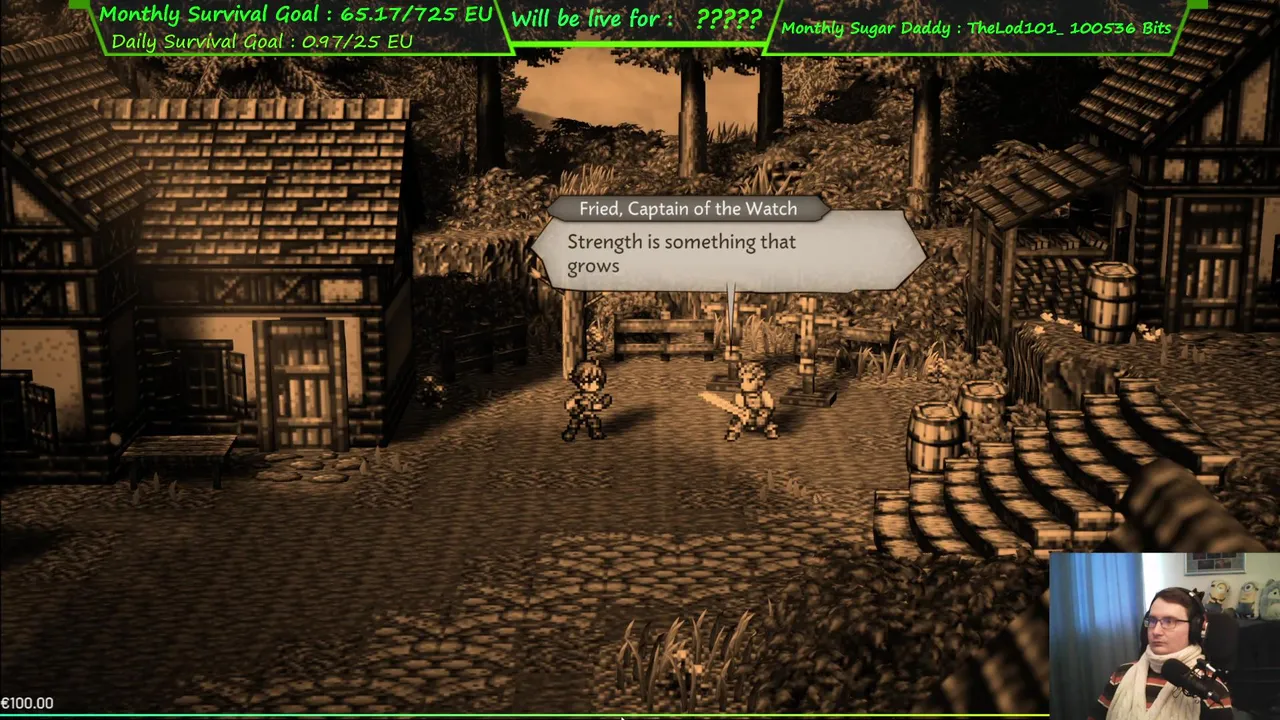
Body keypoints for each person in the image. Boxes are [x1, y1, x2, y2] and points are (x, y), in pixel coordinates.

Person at [1089, 587, 1233, 720]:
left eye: (1169, 621)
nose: (1156, 631)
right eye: (1152, 620)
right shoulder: (1121, 675)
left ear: (1195, 629)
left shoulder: (1210, 690)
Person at [726, 362, 778, 441]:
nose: (744, 384)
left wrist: (764, 412)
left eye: (750, 380)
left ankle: (770, 431)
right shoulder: (740, 396)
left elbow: (770, 407)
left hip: (760, 418)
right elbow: (739, 408)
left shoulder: (764, 395)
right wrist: (743, 411)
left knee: (770, 421)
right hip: (746, 419)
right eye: (742, 380)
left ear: (760, 381)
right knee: (736, 421)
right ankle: (734, 432)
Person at [562, 360, 611, 441]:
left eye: (597, 382)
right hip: (579, 413)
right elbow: (570, 402)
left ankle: (595, 432)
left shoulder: (594, 396)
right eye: (588, 382)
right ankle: (570, 432)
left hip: (590, 414)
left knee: (594, 421)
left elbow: (598, 404)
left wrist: (600, 405)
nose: (593, 385)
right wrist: (571, 407)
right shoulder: (579, 395)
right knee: (574, 422)